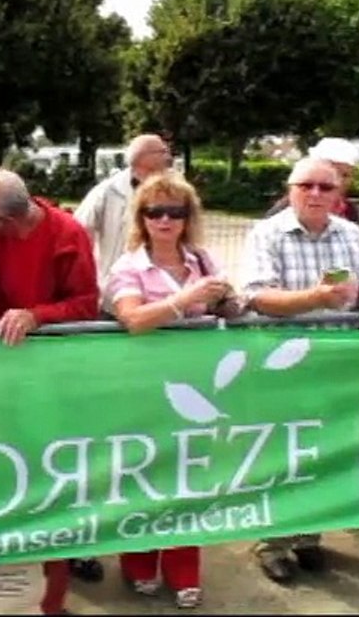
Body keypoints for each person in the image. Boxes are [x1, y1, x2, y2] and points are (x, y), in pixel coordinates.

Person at [0, 168, 99, 616]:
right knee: (12, 475)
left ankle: (58, 579)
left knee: (58, 472)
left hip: (61, 378)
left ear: (4, 221)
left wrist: (35, 316)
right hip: (8, 376)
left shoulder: (67, 234)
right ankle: (16, 585)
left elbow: (86, 304)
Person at [240, 157, 359, 584]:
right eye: (305, 185)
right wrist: (315, 299)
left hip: (335, 364)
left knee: (325, 450)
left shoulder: (349, 235)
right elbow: (257, 297)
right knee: (281, 455)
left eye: (325, 188)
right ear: (290, 190)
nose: (315, 194)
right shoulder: (266, 233)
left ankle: (309, 536)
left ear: (338, 195)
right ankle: (272, 543)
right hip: (281, 364)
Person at [104, 173, 243, 609]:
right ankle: (139, 562)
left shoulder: (201, 260)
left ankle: (184, 569)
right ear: (141, 218)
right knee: (144, 474)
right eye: (154, 211)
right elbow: (133, 319)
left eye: (175, 212)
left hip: (199, 388)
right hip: (144, 388)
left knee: (192, 477)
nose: (165, 220)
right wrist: (186, 299)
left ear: (188, 218)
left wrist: (227, 302)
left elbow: (224, 305)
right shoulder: (128, 266)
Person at [74, 133, 172, 290]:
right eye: (163, 151)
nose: (168, 157)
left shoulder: (175, 191)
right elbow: (79, 231)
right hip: (118, 286)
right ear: (143, 157)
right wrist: (85, 276)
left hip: (162, 288)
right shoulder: (108, 191)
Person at [264, 137, 359, 225]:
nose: (339, 181)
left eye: (346, 175)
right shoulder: (285, 210)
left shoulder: (349, 210)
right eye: (334, 174)